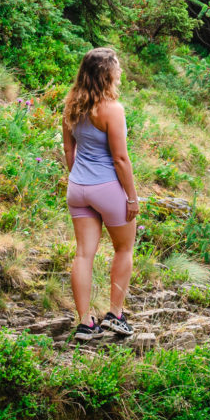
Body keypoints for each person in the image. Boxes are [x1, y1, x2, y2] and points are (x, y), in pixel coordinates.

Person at [62, 47, 139, 341]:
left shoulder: (71, 105)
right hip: (106, 187)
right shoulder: (112, 109)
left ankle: (85, 323)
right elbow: (120, 159)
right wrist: (131, 197)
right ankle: (116, 316)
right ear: (107, 74)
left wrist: (78, 177)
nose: (119, 73)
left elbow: (70, 150)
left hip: (78, 188)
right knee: (124, 249)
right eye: (116, 68)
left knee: (83, 254)